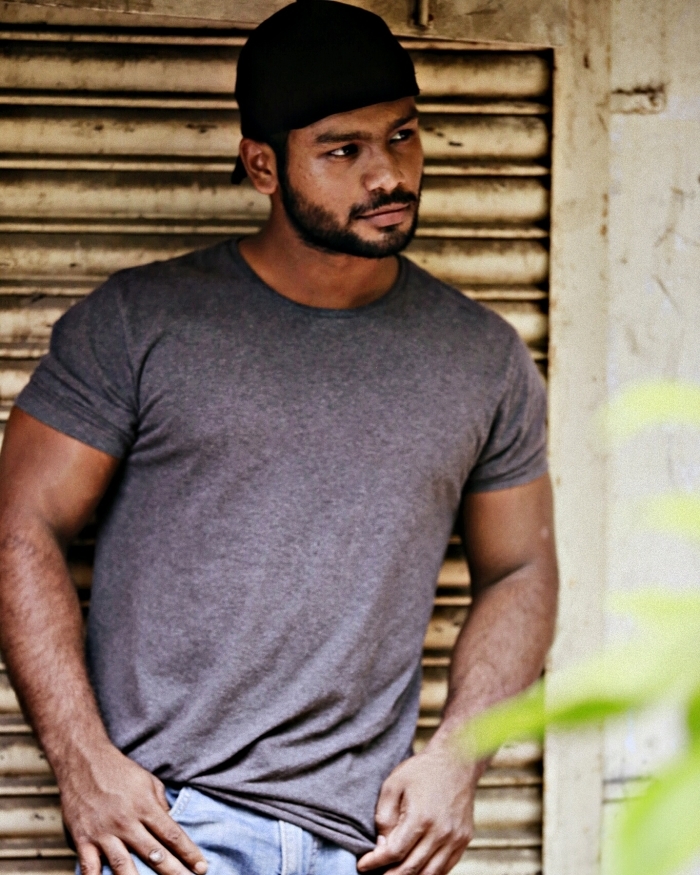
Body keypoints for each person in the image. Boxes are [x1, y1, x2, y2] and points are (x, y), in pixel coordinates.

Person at [0, 2, 558, 875]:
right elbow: (20, 524)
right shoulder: (140, 323)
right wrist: (84, 764)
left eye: (403, 135)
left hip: (368, 840)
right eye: (343, 150)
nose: (388, 174)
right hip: (173, 830)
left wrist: (459, 758)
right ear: (263, 164)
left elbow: (521, 567)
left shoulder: (481, 356)